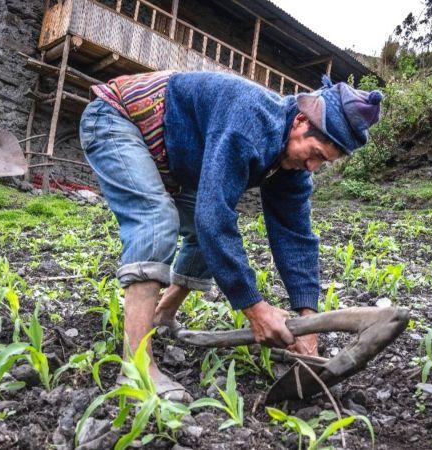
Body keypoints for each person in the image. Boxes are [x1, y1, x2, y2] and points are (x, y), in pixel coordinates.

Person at [79, 70, 383, 401]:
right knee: (157, 220)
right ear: (299, 121)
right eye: (316, 154)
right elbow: (214, 219)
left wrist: (309, 323)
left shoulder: (289, 163)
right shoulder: (250, 124)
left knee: (206, 230)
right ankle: (136, 368)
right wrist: (255, 309)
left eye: (323, 162)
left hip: (171, 156)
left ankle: (162, 315)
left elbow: (296, 236)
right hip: (116, 119)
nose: (312, 167)